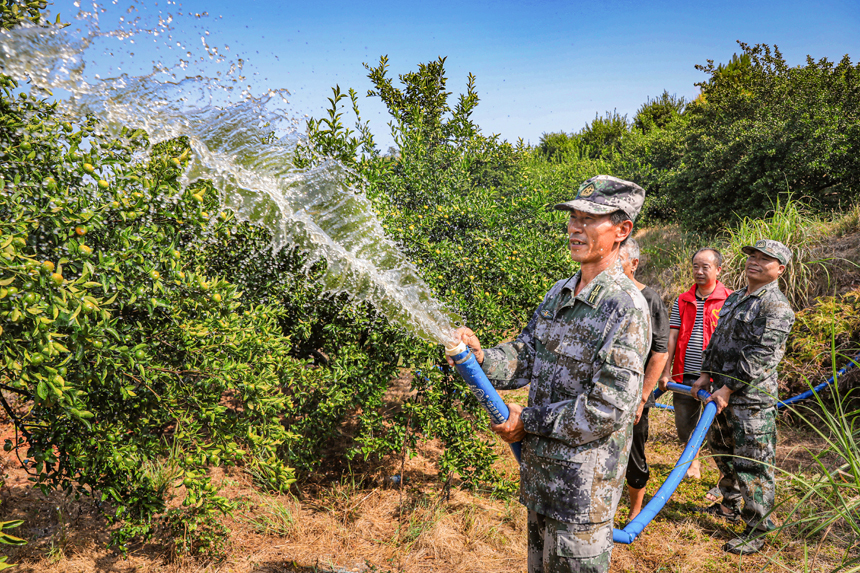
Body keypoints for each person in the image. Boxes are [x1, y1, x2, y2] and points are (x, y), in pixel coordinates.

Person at [446, 175, 651, 573]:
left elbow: (607, 408)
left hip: (582, 493)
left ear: (622, 230)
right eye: (573, 217)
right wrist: (482, 356)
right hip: (543, 479)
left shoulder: (624, 306)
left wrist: (529, 420)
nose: (575, 227)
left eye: (590, 219)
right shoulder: (560, 291)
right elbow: (527, 353)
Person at [690, 239, 795, 555]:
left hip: (749, 401)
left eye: (765, 259)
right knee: (724, 456)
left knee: (753, 464)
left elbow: (760, 356)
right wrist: (706, 374)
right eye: (753, 256)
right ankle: (730, 506)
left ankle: (757, 530)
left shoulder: (776, 308)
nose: (755, 262)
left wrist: (727, 389)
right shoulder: (736, 298)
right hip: (719, 394)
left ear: (780, 269)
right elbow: (717, 340)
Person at [658, 248, 732, 481]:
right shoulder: (683, 299)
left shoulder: (729, 299)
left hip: (716, 377)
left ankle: (725, 475)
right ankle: (693, 464)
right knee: (685, 424)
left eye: (705, 267)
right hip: (684, 373)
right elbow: (671, 337)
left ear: (718, 270)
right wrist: (666, 371)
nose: (699, 272)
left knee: (720, 428)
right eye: (695, 267)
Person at [618, 238, 669, 521]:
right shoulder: (602, 294)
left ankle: (635, 511)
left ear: (634, 264)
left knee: (634, 453)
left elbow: (660, 352)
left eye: (620, 260)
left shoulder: (650, 299)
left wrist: (642, 397)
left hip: (635, 392)